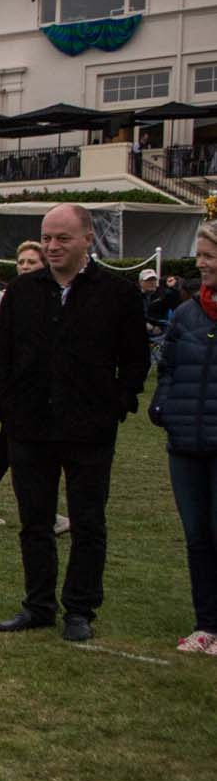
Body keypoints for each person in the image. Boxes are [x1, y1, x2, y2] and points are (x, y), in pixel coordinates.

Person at [0, 204, 152, 641]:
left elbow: (136, 358)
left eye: (62, 238)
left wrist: (117, 402)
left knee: (88, 522)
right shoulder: (23, 292)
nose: (52, 246)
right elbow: (1, 353)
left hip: (89, 429)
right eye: (47, 238)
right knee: (35, 522)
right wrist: (11, 404)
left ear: (87, 240)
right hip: (31, 428)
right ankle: (37, 604)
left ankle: (80, 608)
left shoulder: (116, 292)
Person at [151, 222, 217, 652]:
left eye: (209, 254)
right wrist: (166, 409)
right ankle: (206, 624)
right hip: (186, 444)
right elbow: (168, 368)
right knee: (197, 536)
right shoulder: (189, 313)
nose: (200, 262)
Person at [0, 242, 59, 530]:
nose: (25, 266)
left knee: (9, 448)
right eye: (21, 261)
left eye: (32, 262)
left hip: (37, 390)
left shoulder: (52, 298)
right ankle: (45, 514)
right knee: (21, 449)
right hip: (7, 388)